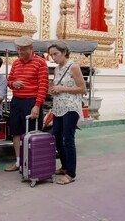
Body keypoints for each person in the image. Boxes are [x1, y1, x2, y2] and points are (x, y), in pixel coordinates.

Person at [4, 36, 49, 172]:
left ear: (31, 48)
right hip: (17, 101)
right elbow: (9, 81)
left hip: (31, 101)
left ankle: (31, 162)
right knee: (16, 132)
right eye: (18, 50)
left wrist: (37, 105)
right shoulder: (16, 63)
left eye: (23, 50)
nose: (20, 52)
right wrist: (13, 83)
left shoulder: (40, 63)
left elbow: (43, 86)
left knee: (31, 133)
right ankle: (18, 162)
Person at [48, 41, 86, 185]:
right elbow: (57, 86)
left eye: (56, 54)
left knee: (68, 139)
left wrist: (62, 88)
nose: (54, 57)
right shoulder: (57, 69)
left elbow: (83, 89)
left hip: (71, 107)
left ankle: (71, 173)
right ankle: (64, 166)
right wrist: (53, 89)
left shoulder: (74, 66)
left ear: (64, 52)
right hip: (58, 107)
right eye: (51, 55)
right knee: (56, 136)